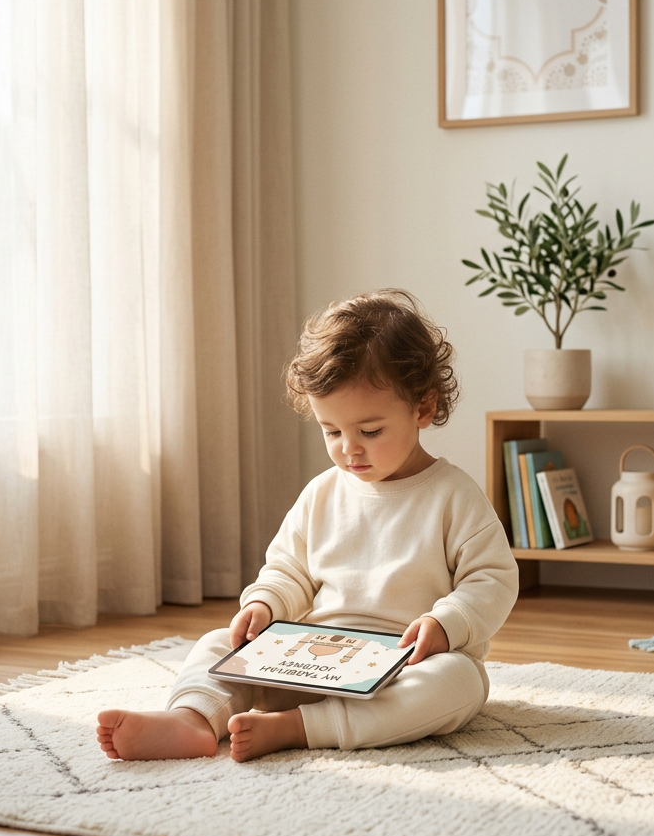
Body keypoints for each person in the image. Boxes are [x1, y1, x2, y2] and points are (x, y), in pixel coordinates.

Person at [96, 289, 518, 763]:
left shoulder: (453, 495)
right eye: (331, 431)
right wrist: (264, 603)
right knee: (218, 644)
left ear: (422, 408)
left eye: (370, 431)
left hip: (403, 665)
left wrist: (447, 624)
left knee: (460, 681)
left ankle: (299, 728)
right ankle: (192, 720)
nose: (348, 450)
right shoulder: (321, 493)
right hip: (311, 659)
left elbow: (493, 579)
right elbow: (288, 568)